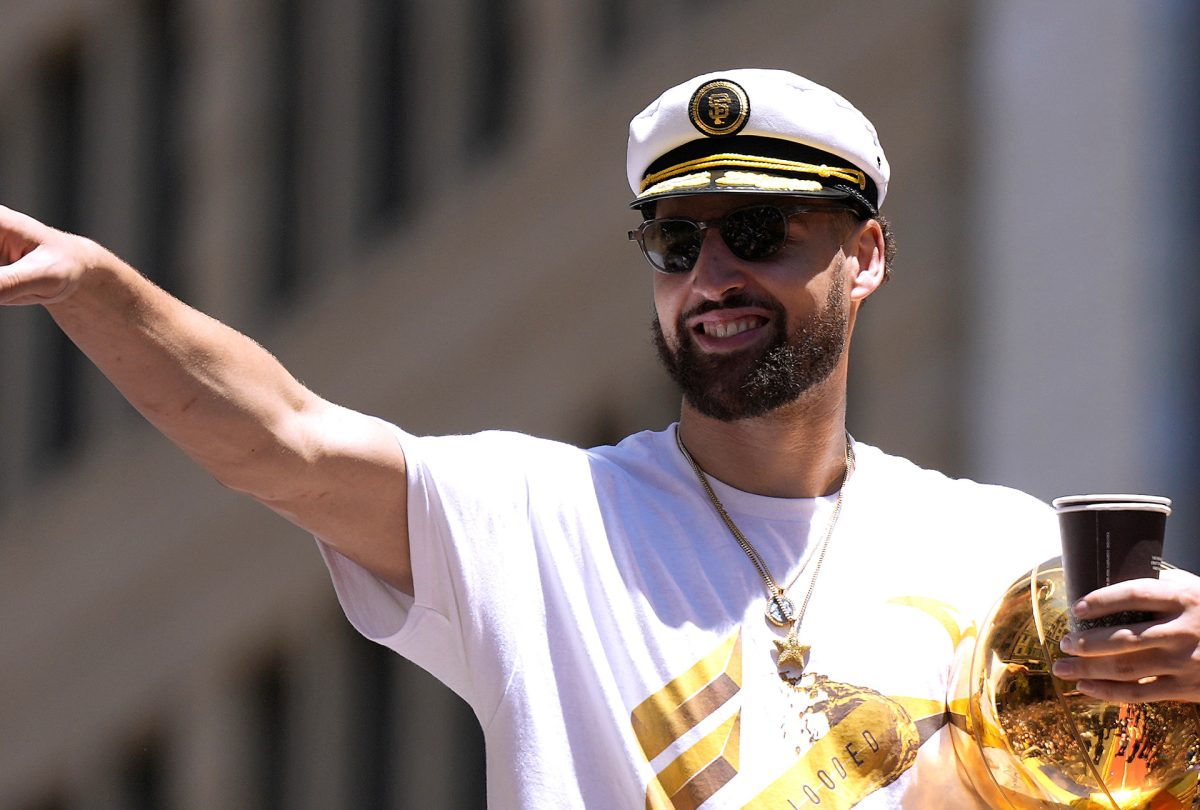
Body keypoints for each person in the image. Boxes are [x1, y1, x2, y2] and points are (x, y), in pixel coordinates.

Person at [2, 68, 1198, 808]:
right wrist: (97, 289)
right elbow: (284, 440)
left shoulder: (1000, 549)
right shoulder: (539, 517)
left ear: (867, 255)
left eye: (761, 230)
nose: (713, 275)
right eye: (678, 245)